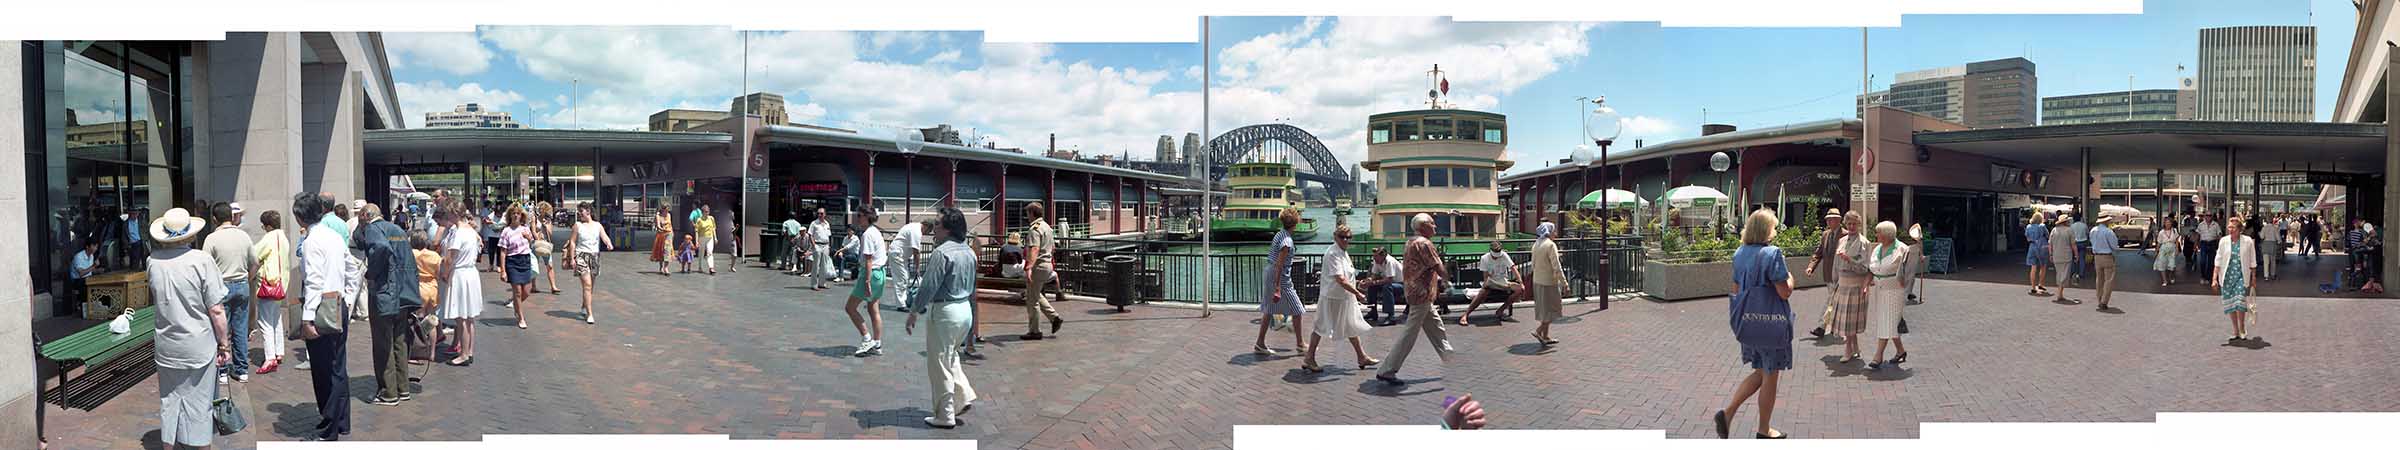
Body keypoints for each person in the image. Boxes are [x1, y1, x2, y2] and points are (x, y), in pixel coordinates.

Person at [145, 208, 234, 449]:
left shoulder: (152, 261)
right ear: (190, 235)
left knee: (170, 400)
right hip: (198, 344)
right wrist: (224, 344)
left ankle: (170, 444)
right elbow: (216, 310)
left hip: (166, 344)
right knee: (199, 403)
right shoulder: (202, 260)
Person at [1712, 209, 1792, 440]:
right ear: (1766, 229)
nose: (1775, 231)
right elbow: (1784, 292)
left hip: (1749, 323)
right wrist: (1792, 279)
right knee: (1770, 375)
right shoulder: (1772, 253)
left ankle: (1727, 414)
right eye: (1773, 227)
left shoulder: (1739, 253)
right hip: (1771, 323)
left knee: (1760, 371)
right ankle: (1764, 429)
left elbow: (1736, 290)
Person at [903, 207, 980, 429]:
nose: (933, 228)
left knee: (938, 362)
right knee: (951, 356)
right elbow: (974, 289)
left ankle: (945, 414)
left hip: (945, 311)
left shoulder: (942, 252)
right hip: (964, 309)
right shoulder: (969, 252)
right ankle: (963, 394)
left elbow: (928, 286)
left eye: (937, 224)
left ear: (947, 229)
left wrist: (914, 311)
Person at [292, 193, 352, 441]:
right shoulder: (335, 236)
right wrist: (348, 295)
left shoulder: (311, 240)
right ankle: (341, 421)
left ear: (300, 217)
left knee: (324, 370)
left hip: (320, 308)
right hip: (338, 303)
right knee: (338, 366)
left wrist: (307, 320)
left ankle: (330, 426)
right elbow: (352, 268)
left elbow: (314, 282)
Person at [1375, 213, 1454, 386]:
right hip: (1421, 294)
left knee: (1436, 327)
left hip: (1416, 292)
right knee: (1409, 333)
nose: (1435, 227)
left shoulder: (1410, 242)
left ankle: (1452, 360)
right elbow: (1437, 266)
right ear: (1423, 226)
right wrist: (1448, 281)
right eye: (1432, 224)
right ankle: (1387, 370)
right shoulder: (1424, 243)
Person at [354, 204, 421, 406]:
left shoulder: (375, 229)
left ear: (366, 216)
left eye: (360, 219)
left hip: (385, 294)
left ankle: (388, 392)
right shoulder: (398, 230)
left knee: (383, 344)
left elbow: (381, 248)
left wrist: (371, 273)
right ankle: (402, 388)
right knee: (399, 342)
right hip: (403, 294)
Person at [1305, 223, 1380, 372]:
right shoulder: (1333, 253)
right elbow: (1340, 279)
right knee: (1320, 326)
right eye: (1342, 237)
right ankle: (1309, 358)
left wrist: (1358, 285)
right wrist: (1357, 293)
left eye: (1348, 237)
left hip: (1344, 297)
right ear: (1335, 237)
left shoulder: (1342, 252)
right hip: (1332, 297)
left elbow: (1347, 277)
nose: (1346, 240)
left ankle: (1361, 356)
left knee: (1350, 326)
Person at [201, 203, 256, 383]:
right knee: (240, 329)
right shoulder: (244, 236)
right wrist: (246, 279)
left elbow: (204, 267)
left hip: (220, 286)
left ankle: (222, 370)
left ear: (214, 219)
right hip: (242, 285)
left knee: (220, 329)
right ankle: (241, 370)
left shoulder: (211, 238)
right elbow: (254, 263)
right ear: (232, 217)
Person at [1255, 207, 1308, 358]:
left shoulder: (1280, 234)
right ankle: (1300, 344)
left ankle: (1260, 343)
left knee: (1269, 308)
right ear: (1296, 222)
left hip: (1270, 272)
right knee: (1297, 309)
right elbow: (1280, 264)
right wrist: (1278, 288)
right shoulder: (1287, 242)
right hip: (1280, 277)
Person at [437, 201, 484, 366]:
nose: (447, 217)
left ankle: (463, 354)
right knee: (469, 317)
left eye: (449, 213)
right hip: (471, 273)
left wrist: (444, 273)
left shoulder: (458, 233)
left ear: (455, 214)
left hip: (460, 274)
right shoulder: (471, 230)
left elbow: (450, 258)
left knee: (461, 318)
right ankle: (469, 351)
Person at [1863, 221, 1912, 371]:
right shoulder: (1877, 249)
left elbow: (1909, 271)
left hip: (1895, 291)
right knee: (1887, 322)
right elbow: (1871, 270)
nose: (1876, 235)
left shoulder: (1902, 249)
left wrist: (1907, 288)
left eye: (1878, 232)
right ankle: (1900, 351)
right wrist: (1866, 285)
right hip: (1880, 290)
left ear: (1887, 234)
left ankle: (1878, 356)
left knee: (1887, 322)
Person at [844, 207, 890, 357]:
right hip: (880, 273)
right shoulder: (875, 231)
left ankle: (867, 338)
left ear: (867, 217)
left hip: (871, 274)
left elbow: (868, 260)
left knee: (850, 307)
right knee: (873, 309)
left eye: (860, 216)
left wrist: (867, 281)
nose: (858, 218)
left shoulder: (868, 234)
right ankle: (877, 344)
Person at [251, 210, 292, 374]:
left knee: (265, 322)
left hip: (269, 283)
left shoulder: (269, 237)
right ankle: (278, 351)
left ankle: (270, 358)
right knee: (276, 319)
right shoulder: (283, 237)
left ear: (267, 225)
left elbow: (254, 255)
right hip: (282, 283)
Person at [1829, 211, 1872, 364]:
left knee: (1850, 320)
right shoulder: (1842, 241)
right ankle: (1855, 347)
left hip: (1856, 285)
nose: (1852, 226)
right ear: (1845, 225)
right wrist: (1835, 282)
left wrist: (1849, 260)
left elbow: (1865, 267)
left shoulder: (1864, 243)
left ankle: (1848, 349)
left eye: (1854, 223)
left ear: (1859, 225)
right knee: (1847, 320)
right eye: (1849, 224)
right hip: (1842, 284)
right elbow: (1835, 263)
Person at [1019, 202, 1066, 340]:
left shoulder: (1035, 229)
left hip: (1038, 266)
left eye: (1028, 213)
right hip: (1047, 265)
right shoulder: (1047, 227)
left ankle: (1035, 331)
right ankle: (1054, 318)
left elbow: (1034, 249)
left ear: (1032, 213)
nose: (1027, 216)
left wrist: (1028, 267)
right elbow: (1052, 248)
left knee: (1032, 300)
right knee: (1035, 293)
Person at [2213, 217, 2259, 343]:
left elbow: (2252, 260)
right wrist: (2214, 278)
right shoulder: (2223, 241)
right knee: (2231, 305)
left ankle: (2242, 327)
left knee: (2240, 302)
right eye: (2229, 227)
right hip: (2227, 277)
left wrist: (2253, 277)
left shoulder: (2248, 241)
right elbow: (2218, 259)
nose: (2230, 229)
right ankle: (2235, 330)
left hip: (2241, 276)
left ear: (2239, 229)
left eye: (2233, 227)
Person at [568, 205, 614, 324]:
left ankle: (584, 306)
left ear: (588, 211)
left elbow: (604, 236)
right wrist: (572, 258)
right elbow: (572, 242)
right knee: (587, 285)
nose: (579, 214)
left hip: (594, 256)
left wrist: (608, 243)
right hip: (581, 255)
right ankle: (590, 314)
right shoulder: (577, 225)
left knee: (590, 286)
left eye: (581, 211)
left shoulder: (598, 225)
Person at [1457, 241, 1520, 326]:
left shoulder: (1504, 255)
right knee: (1483, 293)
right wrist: (1488, 283)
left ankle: (1500, 310)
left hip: (1503, 282)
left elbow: (1513, 268)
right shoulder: (1485, 258)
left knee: (1520, 289)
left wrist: (1520, 282)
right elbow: (1485, 277)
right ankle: (1466, 314)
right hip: (1491, 283)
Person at [1527, 222, 1568, 346]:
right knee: (1552, 308)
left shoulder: (1536, 244)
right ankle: (1538, 331)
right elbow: (1557, 266)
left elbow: (1533, 264)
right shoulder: (1550, 245)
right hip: (1549, 282)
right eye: (1554, 231)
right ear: (1549, 232)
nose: (1555, 234)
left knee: (1544, 310)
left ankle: (1546, 336)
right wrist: (1565, 283)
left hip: (1538, 280)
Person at [1807, 209, 1844, 338]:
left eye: (1831, 218)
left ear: (1839, 220)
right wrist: (1811, 266)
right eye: (1827, 219)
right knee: (1835, 303)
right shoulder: (1825, 234)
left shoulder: (1846, 235)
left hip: (1841, 276)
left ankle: (1822, 327)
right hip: (1828, 275)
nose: (1828, 221)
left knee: (1831, 301)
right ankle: (1836, 327)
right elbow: (1819, 252)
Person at [500, 206, 536, 329]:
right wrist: (503, 270)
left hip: (525, 260)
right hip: (512, 261)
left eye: (518, 213)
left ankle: (516, 305)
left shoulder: (525, 229)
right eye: (513, 213)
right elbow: (503, 251)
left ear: (522, 216)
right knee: (518, 292)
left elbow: (532, 243)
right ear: (510, 215)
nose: (516, 215)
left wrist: (529, 238)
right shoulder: (506, 231)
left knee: (527, 291)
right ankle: (520, 317)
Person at [410, 231, 443, 365]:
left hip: (419, 287)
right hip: (432, 288)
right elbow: (439, 273)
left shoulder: (412, 254)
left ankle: (418, 352)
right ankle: (432, 352)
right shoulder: (435, 255)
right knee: (431, 321)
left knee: (417, 321)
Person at [889, 219, 927, 313]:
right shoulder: (916, 232)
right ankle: (901, 304)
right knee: (901, 279)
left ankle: (904, 301)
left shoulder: (912, 226)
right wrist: (917, 268)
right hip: (898, 254)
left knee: (904, 278)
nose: (926, 233)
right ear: (926, 226)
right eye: (928, 231)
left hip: (900, 254)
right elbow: (916, 252)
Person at [1362, 246, 1405, 326]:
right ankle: (1372, 311)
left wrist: (1373, 282)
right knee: (1372, 287)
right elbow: (1374, 275)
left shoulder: (1389, 261)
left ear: (1383, 256)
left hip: (1401, 284)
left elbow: (1389, 280)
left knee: (1387, 287)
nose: (1374, 259)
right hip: (1390, 283)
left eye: (1376, 257)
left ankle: (1391, 316)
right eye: (1374, 256)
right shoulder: (1377, 261)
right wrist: (1368, 281)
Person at [2089, 216, 2120, 312]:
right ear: (2107, 221)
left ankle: (2099, 299)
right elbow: (2114, 246)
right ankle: (2104, 301)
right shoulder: (2109, 232)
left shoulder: (2093, 230)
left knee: (2099, 279)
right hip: (2107, 256)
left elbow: (2091, 242)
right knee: (2108, 280)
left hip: (2097, 256)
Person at [2047, 214, 2079, 305]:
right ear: (2066, 222)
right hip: (2066, 255)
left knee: (2059, 273)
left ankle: (2060, 293)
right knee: (2064, 274)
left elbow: (2050, 244)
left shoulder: (2054, 230)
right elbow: (2073, 244)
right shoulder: (2069, 230)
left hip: (2056, 255)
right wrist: (2076, 255)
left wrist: (2050, 254)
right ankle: (2059, 293)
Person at [534, 202, 563, 294]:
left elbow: (550, 234)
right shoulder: (534, 219)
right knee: (534, 265)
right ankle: (533, 286)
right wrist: (537, 239)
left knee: (550, 266)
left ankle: (553, 286)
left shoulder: (548, 220)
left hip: (546, 244)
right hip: (536, 244)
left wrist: (545, 226)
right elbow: (533, 230)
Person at [70, 238, 101, 318]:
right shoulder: (78, 257)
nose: (95, 248)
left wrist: (98, 270)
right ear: (87, 247)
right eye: (94, 246)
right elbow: (81, 273)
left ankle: (97, 306)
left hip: (88, 279)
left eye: (96, 247)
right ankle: (85, 308)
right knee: (85, 284)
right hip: (77, 280)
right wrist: (93, 266)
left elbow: (90, 271)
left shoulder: (92, 256)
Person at [2023, 212, 2051, 297]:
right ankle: (2041, 284)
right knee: (2043, 266)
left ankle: (2033, 287)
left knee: (2033, 267)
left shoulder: (2028, 226)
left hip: (2032, 247)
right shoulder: (2042, 226)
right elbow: (2047, 235)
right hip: (2042, 246)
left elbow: (2027, 238)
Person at [809, 207, 835, 289]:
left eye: (821, 213)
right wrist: (814, 246)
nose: (819, 215)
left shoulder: (827, 224)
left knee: (824, 265)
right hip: (817, 245)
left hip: (826, 245)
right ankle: (814, 284)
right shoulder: (814, 223)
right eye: (818, 213)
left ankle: (822, 283)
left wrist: (829, 246)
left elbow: (829, 236)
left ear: (825, 214)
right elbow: (810, 234)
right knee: (816, 265)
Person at [2153, 214, 2182, 286]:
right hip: (2163, 249)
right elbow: (2159, 243)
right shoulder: (2161, 232)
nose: (2168, 224)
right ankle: (2164, 280)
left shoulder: (2174, 231)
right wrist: (2156, 251)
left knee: (2172, 266)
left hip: (2172, 249)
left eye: (2169, 222)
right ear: (2164, 223)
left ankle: (2171, 276)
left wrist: (2177, 249)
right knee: (2162, 265)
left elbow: (2176, 241)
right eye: (2166, 222)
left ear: (2171, 223)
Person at [695, 203, 719, 275]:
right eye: (705, 211)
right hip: (701, 238)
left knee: (710, 252)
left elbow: (713, 228)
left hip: (710, 237)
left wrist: (715, 237)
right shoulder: (699, 220)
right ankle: (700, 267)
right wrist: (696, 241)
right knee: (701, 253)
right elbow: (696, 231)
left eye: (708, 211)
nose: (707, 213)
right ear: (702, 212)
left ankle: (711, 268)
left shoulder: (711, 218)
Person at [652, 205, 675, 277]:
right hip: (661, 234)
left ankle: (666, 268)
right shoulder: (658, 216)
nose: (667, 212)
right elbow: (658, 226)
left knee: (667, 250)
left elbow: (670, 224)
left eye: (668, 210)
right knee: (661, 251)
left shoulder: (669, 215)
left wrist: (672, 233)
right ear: (662, 210)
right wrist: (663, 229)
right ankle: (661, 267)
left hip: (669, 234)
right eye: (666, 210)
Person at [2069, 213, 2091, 287]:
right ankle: (2081, 273)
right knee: (2082, 258)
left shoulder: (2072, 226)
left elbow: (2070, 235)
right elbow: (2087, 233)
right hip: (2082, 243)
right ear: (2080, 218)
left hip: (2074, 243)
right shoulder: (2084, 225)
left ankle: (2073, 272)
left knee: (2073, 258)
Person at [2259, 213, 2282, 281]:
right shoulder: (2275, 228)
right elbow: (2278, 238)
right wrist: (2279, 242)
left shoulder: (2264, 228)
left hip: (2265, 244)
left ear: (2266, 220)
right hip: (2273, 245)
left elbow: (2262, 237)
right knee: (2273, 261)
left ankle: (2266, 276)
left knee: (2266, 262)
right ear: (2272, 220)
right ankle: (2273, 274)